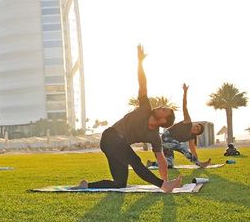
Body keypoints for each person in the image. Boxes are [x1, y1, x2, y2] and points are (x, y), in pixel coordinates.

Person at [77, 45, 183, 192]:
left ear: (164, 121)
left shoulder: (154, 136)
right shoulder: (146, 108)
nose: (159, 107)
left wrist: (166, 178)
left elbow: (161, 160)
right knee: (135, 161)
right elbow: (143, 84)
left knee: (120, 183)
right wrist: (140, 62)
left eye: (163, 109)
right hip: (110, 137)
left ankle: (86, 185)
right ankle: (164, 186)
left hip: (118, 146)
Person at [159, 84, 211, 168]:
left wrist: (196, 159)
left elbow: (193, 149)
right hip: (166, 137)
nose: (196, 128)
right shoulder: (188, 122)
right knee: (183, 147)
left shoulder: (192, 137)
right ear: (194, 124)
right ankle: (200, 164)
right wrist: (185, 92)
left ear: (197, 133)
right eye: (197, 126)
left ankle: (152, 164)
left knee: (169, 165)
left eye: (197, 130)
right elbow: (184, 106)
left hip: (171, 144)